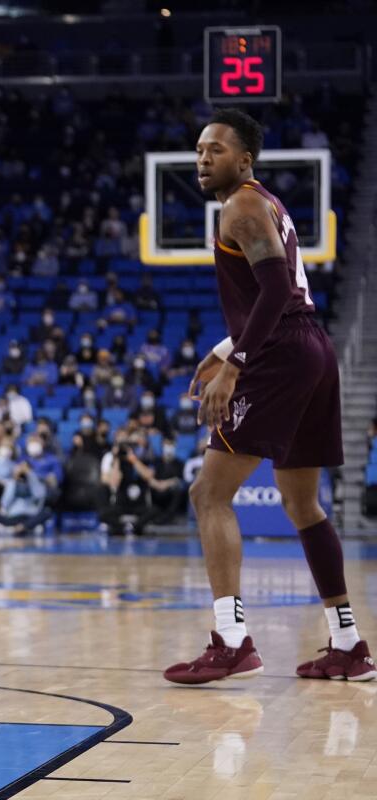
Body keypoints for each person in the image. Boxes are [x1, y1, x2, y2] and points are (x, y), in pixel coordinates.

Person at [165, 109, 371, 684]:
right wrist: (227, 343)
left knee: (208, 493)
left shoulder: (243, 206)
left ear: (245, 159)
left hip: (281, 355)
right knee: (303, 505)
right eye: (200, 150)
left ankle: (232, 642)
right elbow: (282, 292)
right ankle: (349, 643)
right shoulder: (266, 204)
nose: (203, 158)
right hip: (311, 349)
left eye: (216, 150)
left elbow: (278, 286)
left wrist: (237, 362)